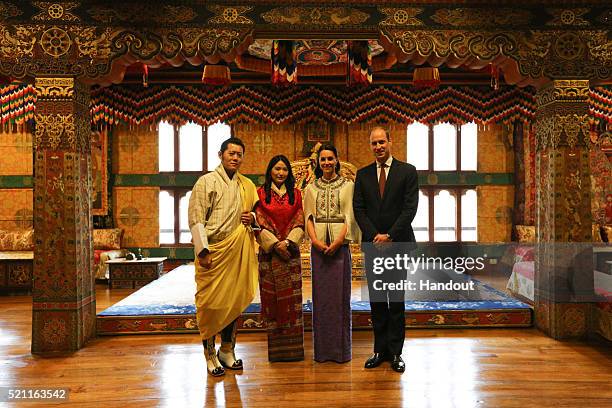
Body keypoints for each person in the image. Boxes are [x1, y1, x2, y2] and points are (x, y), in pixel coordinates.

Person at [188, 137, 259, 377]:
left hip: (237, 250)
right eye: (231, 153)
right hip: (213, 252)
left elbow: (258, 217)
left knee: (232, 303)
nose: (235, 158)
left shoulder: (246, 185)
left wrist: (253, 220)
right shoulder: (205, 182)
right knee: (210, 306)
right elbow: (196, 219)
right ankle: (209, 355)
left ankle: (227, 350)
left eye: (239, 154)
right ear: (221, 155)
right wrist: (203, 252)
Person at [353, 126, 419, 373]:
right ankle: (379, 351)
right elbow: (359, 209)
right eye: (374, 143)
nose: (378, 147)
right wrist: (375, 237)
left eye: (382, 142)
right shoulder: (363, 174)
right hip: (373, 247)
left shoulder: (408, 171)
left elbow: (409, 208)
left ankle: (396, 353)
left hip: (398, 244)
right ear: (370, 146)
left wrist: (389, 235)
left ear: (390, 142)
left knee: (396, 301)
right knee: (378, 300)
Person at [303, 144, 360, 363]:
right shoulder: (311, 188)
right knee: (322, 299)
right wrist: (315, 241)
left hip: (340, 247)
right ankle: (323, 352)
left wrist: (338, 241)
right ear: (318, 162)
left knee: (339, 299)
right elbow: (308, 216)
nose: (326, 163)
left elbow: (350, 217)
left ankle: (340, 352)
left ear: (337, 160)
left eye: (330, 159)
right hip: (318, 248)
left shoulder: (348, 186)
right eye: (322, 159)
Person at [255, 155, 306, 362]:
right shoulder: (259, 194)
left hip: (291, 255)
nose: (281, 173)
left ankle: (294, 352)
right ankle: (276, 352)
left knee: (292, 301)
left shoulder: (297, 195)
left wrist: (288, 242)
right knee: (273, 300)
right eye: (277, 169)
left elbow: (301, 220)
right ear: (270, 171)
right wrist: (275, 244)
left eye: (284, 169)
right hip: (269, 256)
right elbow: (257, 223)